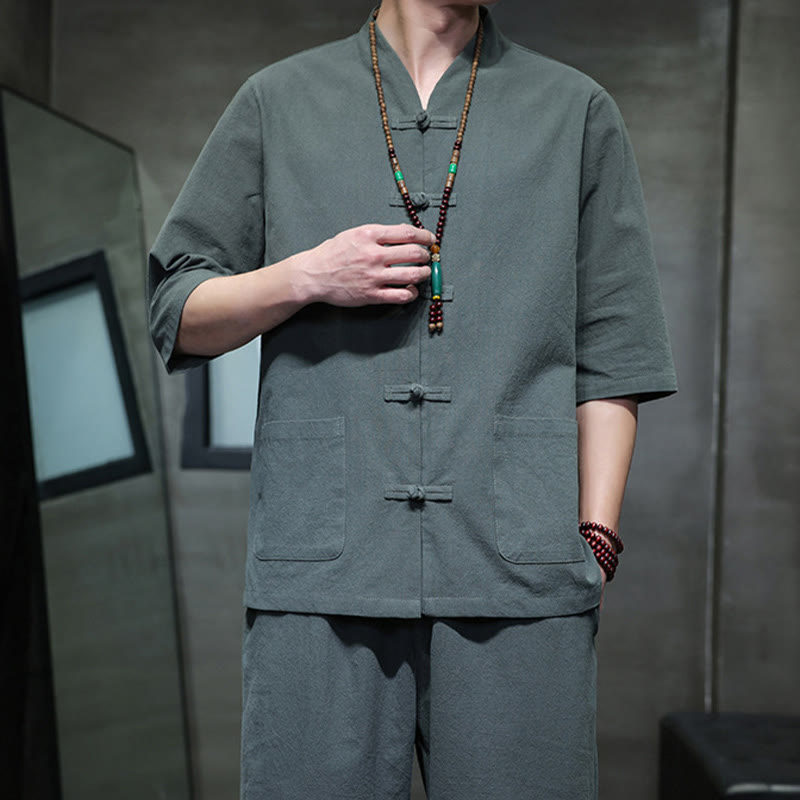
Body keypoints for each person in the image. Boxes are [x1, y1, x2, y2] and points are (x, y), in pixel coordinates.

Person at [148, 1, 677, 797]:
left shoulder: (575, 110)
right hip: (322, 566)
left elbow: (615, 350)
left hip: (519, 571)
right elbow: (176, 311)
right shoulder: (277, 100)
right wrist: (309, 276)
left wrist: (595, 537)